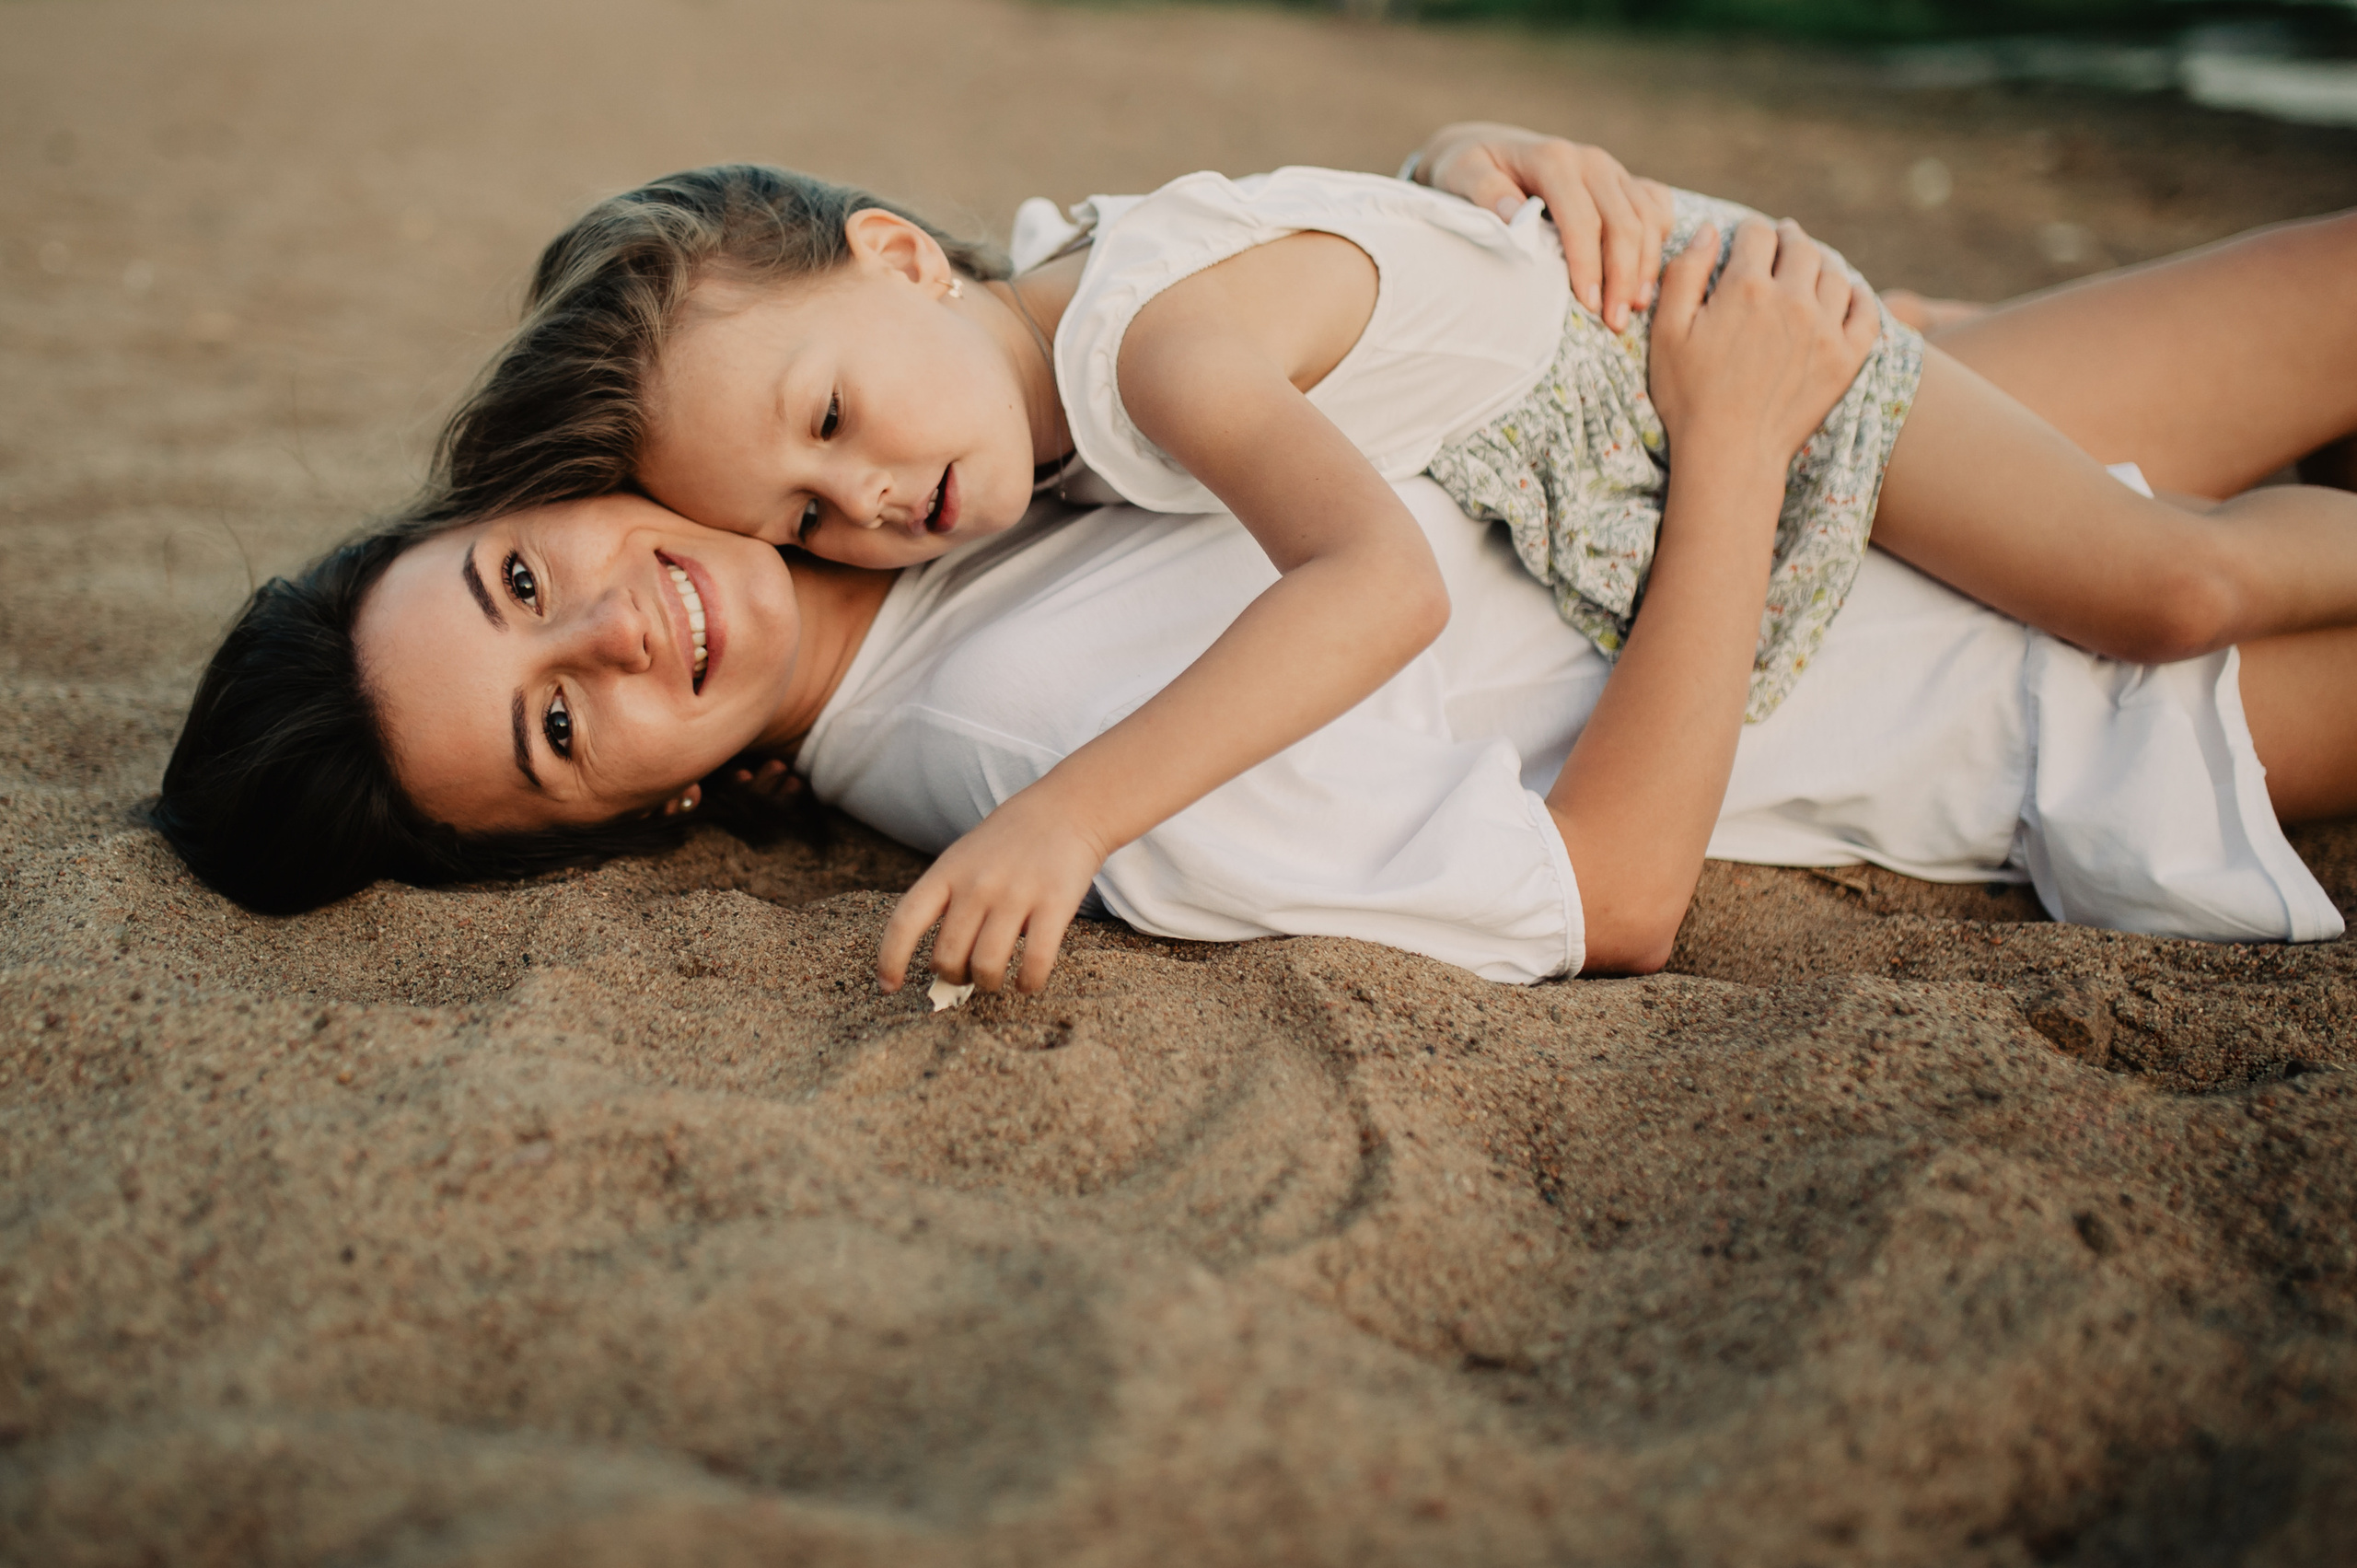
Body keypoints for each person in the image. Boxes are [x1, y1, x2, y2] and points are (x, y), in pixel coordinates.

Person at [151, 177, 2357, 988]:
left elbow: (1282, 326)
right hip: (1986, 683)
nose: (618, 629)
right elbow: (1609, 898)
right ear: (630, 813)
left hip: (1822, 399)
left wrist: (1477, 195)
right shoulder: (1025, 750)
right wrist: (1747, 440)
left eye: (527, 574)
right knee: (2193, 582)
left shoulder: (949, 466)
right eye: (561, 722)